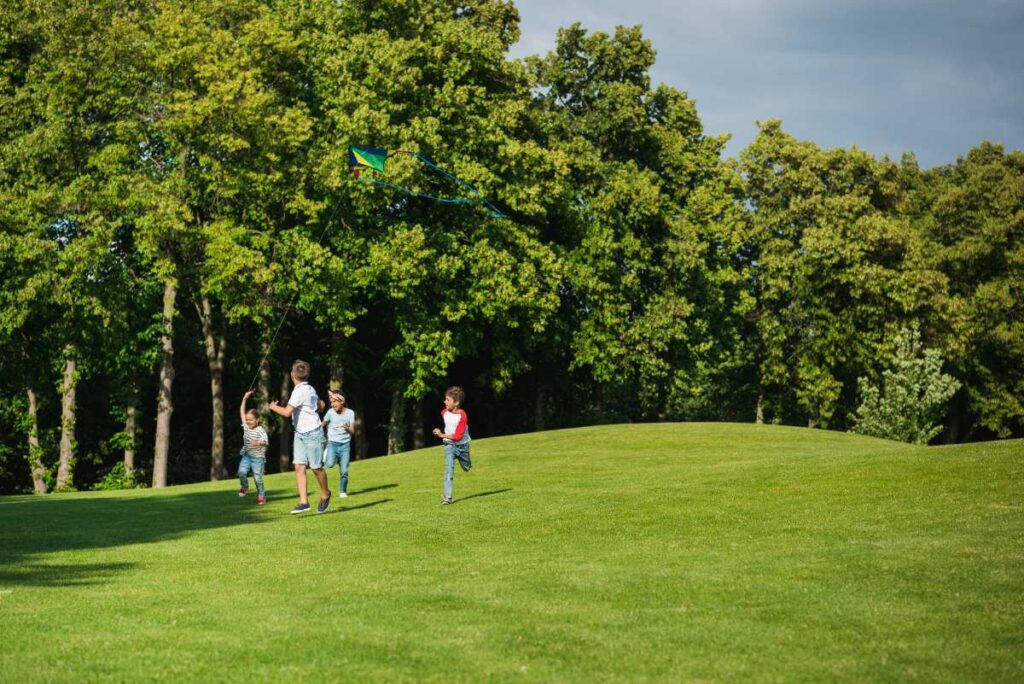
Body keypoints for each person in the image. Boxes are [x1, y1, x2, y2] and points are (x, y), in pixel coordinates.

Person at [269, 359, 330, 514]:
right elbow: (320, 406)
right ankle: (304, 502)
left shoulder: (299, 392)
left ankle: (325, 493)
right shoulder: (310, 389)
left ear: (292, 375)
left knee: (316, 468)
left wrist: (273, 406)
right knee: (298, 466)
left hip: (313, 434)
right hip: (300, 434)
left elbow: (287, 413)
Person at [431, 385, 472, 505]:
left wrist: (441, 434)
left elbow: (458, 436)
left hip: (462, 446)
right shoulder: (444, 412)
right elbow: (448, 428)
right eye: (445, 399)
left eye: (448, 400)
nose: (445, 402)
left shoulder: (462, 416)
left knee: (466, 467)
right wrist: (440, 431)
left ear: (457, 402)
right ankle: (447, 498)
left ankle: (466, 463)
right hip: (449, 446)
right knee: (449, 471)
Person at [321, 391, 356, 498]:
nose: (333, 404)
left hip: (345, 445)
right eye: (331, 402)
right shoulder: (330, 412)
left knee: (344, 471)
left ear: (342, 401)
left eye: (335, 401)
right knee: (330, 464)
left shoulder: (350, 413)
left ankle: (342, 491)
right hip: (332, 443)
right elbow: (322, 424)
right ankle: (326, 452)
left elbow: (353, 431)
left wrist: (347, 428)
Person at [238, 390, 269, 505]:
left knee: (257, 478)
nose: (248, 422)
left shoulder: (260, 430)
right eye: (247, 420)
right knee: (241, 472)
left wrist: (258, 442)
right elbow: (242, 411)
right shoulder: (246, 426)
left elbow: (266, 442)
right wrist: (244, 398)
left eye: (250, 420)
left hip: (258, 458)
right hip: (247, 456)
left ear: (257, 420)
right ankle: (245, 486)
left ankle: (261, 496)